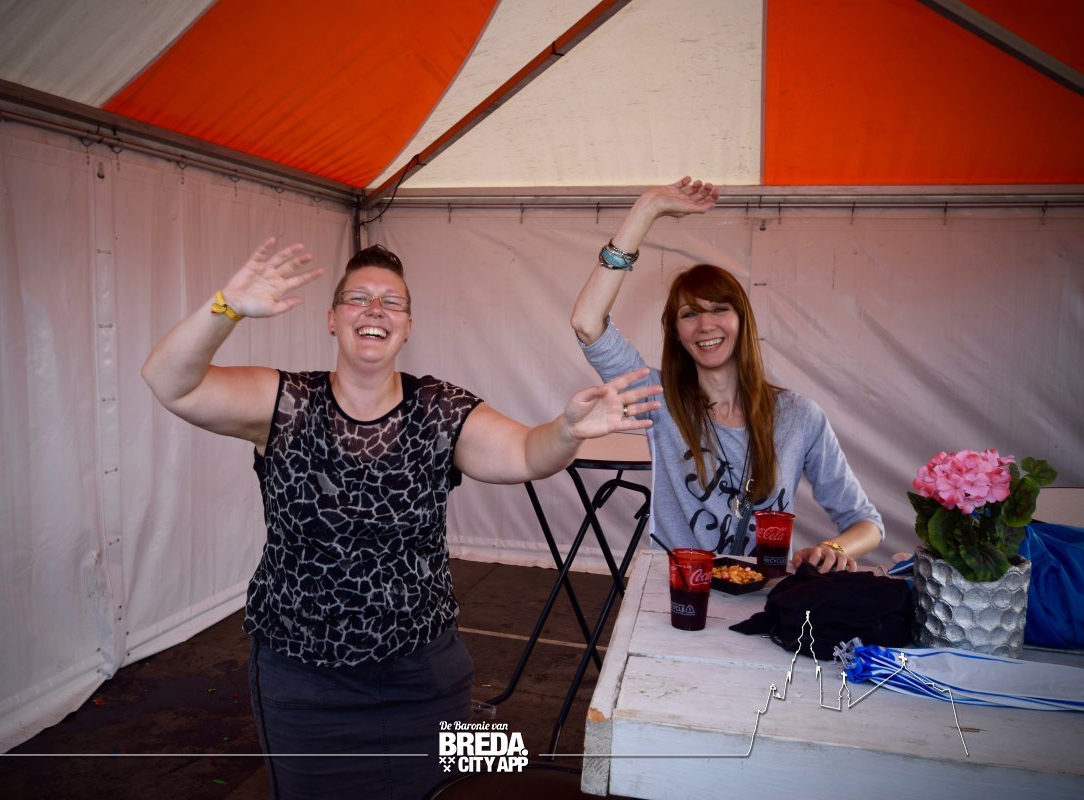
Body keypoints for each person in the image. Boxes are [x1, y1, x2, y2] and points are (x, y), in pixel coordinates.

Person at [141, 238, 661, 799]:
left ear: (408, 326)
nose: (375, 309)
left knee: (444, 791)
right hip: (304, 682)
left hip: (426, 675)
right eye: (358, 298)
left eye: (392, 302)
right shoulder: (284, 401)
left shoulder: (439, 408)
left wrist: (567, 431)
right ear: (332, 319)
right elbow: (169, 381)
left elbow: (526, 453)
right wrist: (226, 307)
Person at [571, 177, 883, 574]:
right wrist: (646, 210)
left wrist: (832, 548)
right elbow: (587, 323)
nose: (706, 325)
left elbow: (867, 524)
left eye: (720, 309)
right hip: (679, 592)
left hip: (763, 594)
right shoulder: (659, 397)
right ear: (676, 333)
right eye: (689, 314)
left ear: (742, 320)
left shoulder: (798, 416)